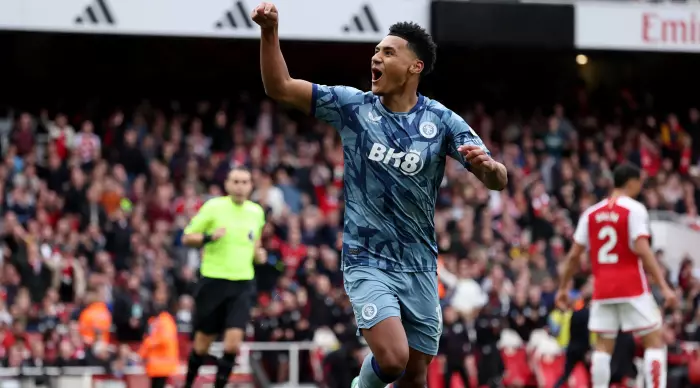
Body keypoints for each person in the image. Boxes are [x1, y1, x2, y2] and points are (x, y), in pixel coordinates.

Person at [252, 3, 508, 387]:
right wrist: (270, 32)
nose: (376, 56)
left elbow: (498, 178)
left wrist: (488, 169)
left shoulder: (441, 121)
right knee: (392, 359)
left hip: (419, 265)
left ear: (414, 66)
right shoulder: (353, 107)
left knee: (416, 375)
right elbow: (280, 87)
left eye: (388, 52)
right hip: (367, 259)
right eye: (376, 50)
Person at [556, 162, 678, 388]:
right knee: (654, 341)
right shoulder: (634, 209)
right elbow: (642, 249)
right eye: (640, 183)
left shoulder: (590, 213)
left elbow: (573, 257)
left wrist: (562, 288)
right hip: (632, 286)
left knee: (603, 346)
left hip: (602, 289)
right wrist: (664, 285)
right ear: (632, 182)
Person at [181, 167, 267, 388]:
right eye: (236, 181)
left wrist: (259, 255)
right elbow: (187, 237)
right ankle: (188, 383)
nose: (240, 186)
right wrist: (209, 236)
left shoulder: (256, 212)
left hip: (242, 284)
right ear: (227, 184)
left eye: (245, 182)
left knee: (232, 344)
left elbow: (255, 244)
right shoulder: (214, 207)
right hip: (213, 282)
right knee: (202, 345)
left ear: (251, 186)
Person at [139, 285, 179, 388]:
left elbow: (163, 339)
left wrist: (147, 346)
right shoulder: (154, 320)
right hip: (156, 365)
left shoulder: (165, 320)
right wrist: (142, 354)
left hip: (162, 364)